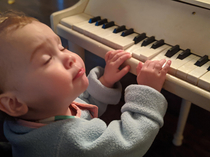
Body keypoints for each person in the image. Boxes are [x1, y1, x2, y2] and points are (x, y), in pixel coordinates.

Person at [0, 11, 171, 157]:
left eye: (62, 47)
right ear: (13, 103)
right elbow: (129, 142)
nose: (69, 56)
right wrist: (147, 91)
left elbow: (82, 104)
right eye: (46, 60)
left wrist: (105, 81)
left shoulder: (44, 111)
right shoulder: (68, 142)